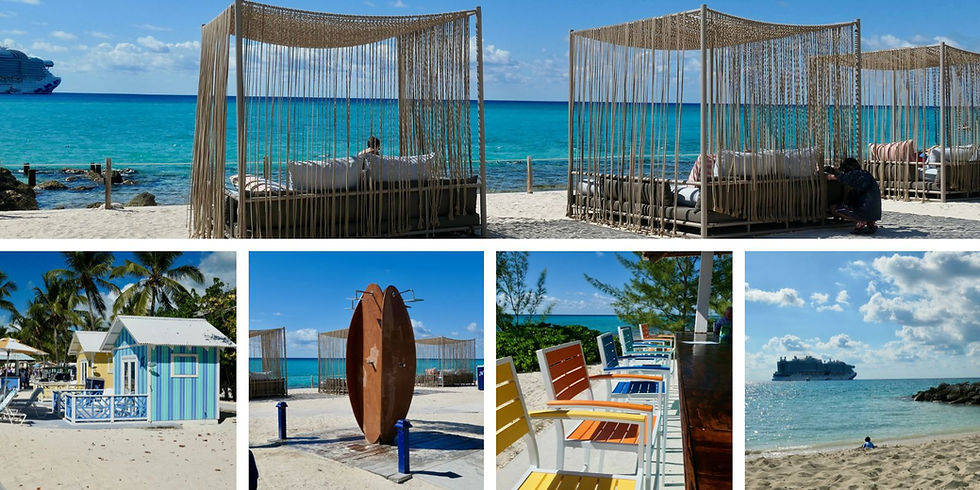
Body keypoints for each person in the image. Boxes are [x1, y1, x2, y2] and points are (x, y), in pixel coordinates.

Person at [828, 158, 881, 235]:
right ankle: (871, 223)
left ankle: (861, 221)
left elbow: (842, 177)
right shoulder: (866, 174)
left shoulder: (855, 175)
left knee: (834, 208)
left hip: (864, 210)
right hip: (875, 213)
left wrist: (830, 176)